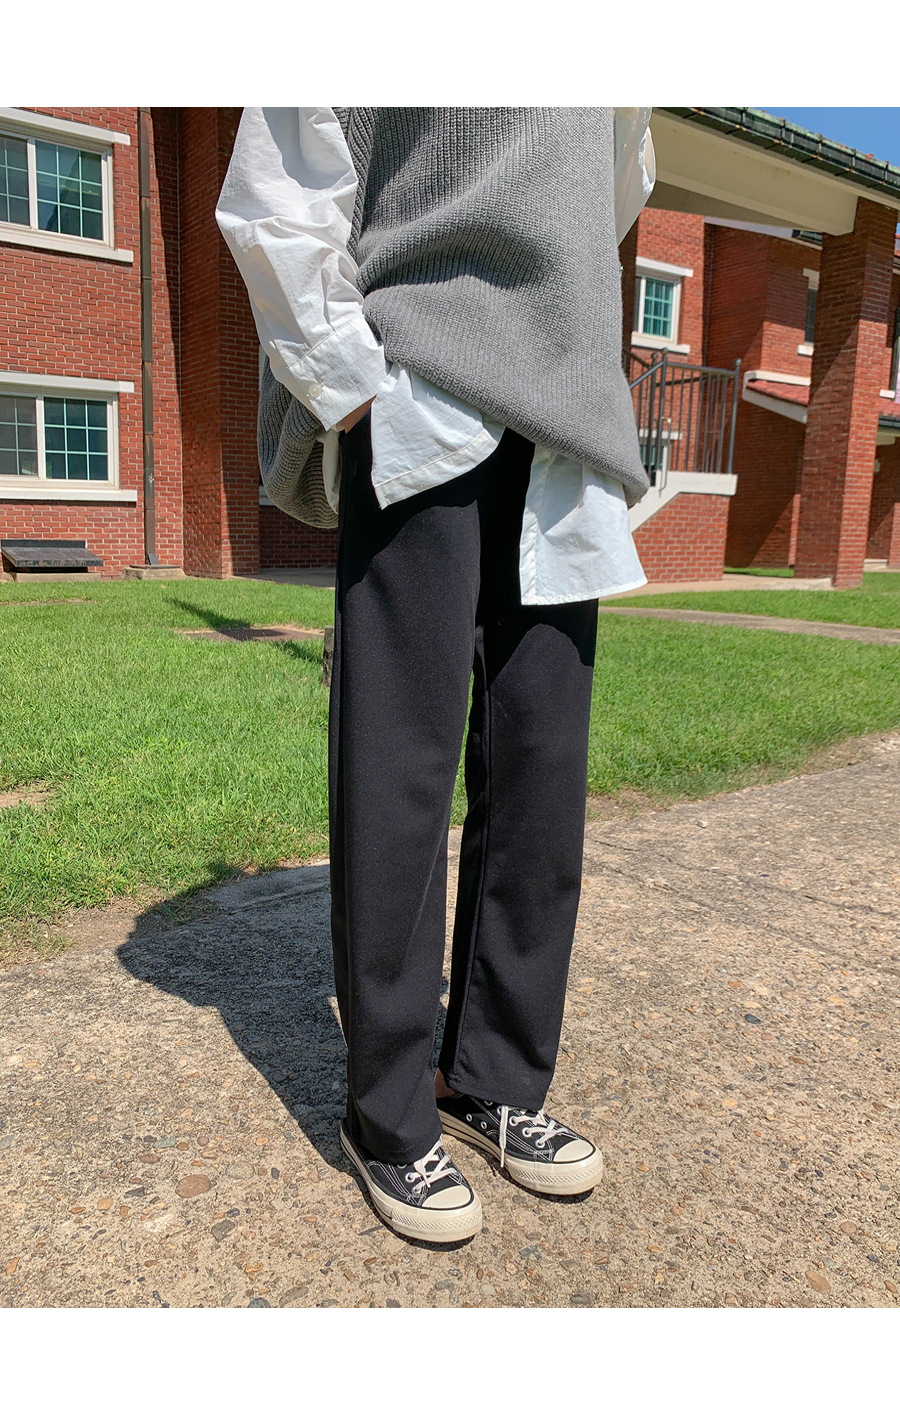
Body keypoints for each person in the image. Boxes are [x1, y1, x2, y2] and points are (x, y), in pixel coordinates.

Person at [217, 107, 655, 1242]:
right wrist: (355, 387)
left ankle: (495, 1074)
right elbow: (283, 181)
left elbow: (605, 191)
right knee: (399, 766)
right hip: (424, 391)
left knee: (544, 769)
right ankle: (389, 1111)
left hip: (566, 416)